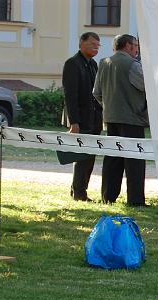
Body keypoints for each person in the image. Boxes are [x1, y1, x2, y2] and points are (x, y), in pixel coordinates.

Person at [92, 33, 148, 206]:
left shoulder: (104, 63)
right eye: (136, 45)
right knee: (135, 162)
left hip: (111, 118)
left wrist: (109, 106)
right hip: (132, 119)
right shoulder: (133, 65)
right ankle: (135, 199)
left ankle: (108, 196)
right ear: (129, 46)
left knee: (112, 159)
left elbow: (96, 92)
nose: (137, 49)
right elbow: (147, 87)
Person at [61, 31, 103, 202]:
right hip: (80, 119)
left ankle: (82, 190)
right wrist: (74, 122)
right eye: (92, 44)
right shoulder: (72, 63)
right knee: (81, 157)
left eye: (98, 45)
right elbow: (70, 95)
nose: (95, 47)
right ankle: (78, 192)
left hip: (94, 119)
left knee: (90, 157)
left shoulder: (93, 64)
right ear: (81, 43)